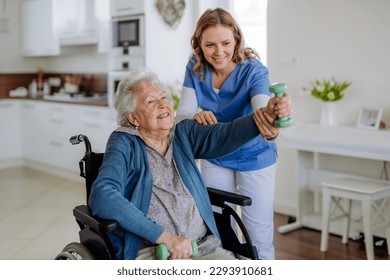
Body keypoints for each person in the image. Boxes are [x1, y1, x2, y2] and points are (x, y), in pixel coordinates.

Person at [88, 67, 282, 260]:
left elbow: (225, 135)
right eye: (150, 101)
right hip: (154, 252)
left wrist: (264, 116)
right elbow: (102, 195)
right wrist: (165, 238)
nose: (162, 105)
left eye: (163, 97)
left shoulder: (182, 132)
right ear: (133, 118)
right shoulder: (124, 142)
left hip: (203, 247)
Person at [177, 8, 293, 260]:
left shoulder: (254, 71)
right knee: (219, 231)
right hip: (216, 156)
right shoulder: (195, 67)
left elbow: (261, 110)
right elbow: (183, 114)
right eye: (210, 45)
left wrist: (272, 116)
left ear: (237, 41)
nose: (218, 52)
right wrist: (195, 116)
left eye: (226, 43)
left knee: (257, 233)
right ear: (199, 45)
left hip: (255, 157)